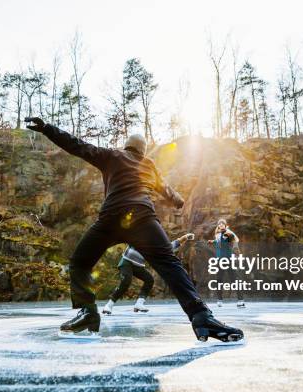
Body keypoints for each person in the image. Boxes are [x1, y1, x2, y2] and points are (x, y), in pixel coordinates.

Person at [25, 117, 243, 342]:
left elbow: (78, 145)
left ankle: (89, 312)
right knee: (169, 264)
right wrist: (178, 201)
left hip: (111, 218)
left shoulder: (112, 156)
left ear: (126, 146)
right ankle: (201, 316)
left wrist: (47, 128)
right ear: (143, 151)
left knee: (80, 262)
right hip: (143, 219)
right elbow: (166, 190)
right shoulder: (149, 165)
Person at [103, 233, 195, 315]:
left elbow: (168, 248)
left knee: (149, 280)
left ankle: (139, 304)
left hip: (138, 266)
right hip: (126, 262)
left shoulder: (154, 245)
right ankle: (109, 305)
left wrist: (184, 238)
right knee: (126, 280)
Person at [207, 218, 246, 308]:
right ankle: (219, 300)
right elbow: (218, 242)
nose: (220, 225)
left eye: (222, 223)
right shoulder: (217, 234)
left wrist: (235, 247)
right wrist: (212, 241)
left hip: (228, 260)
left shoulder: (228, 233)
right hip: (219, 260)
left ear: (225, 225)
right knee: (219, 280)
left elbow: (235, 239)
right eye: (219, 224)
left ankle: (241, 300)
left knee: (233, 279)